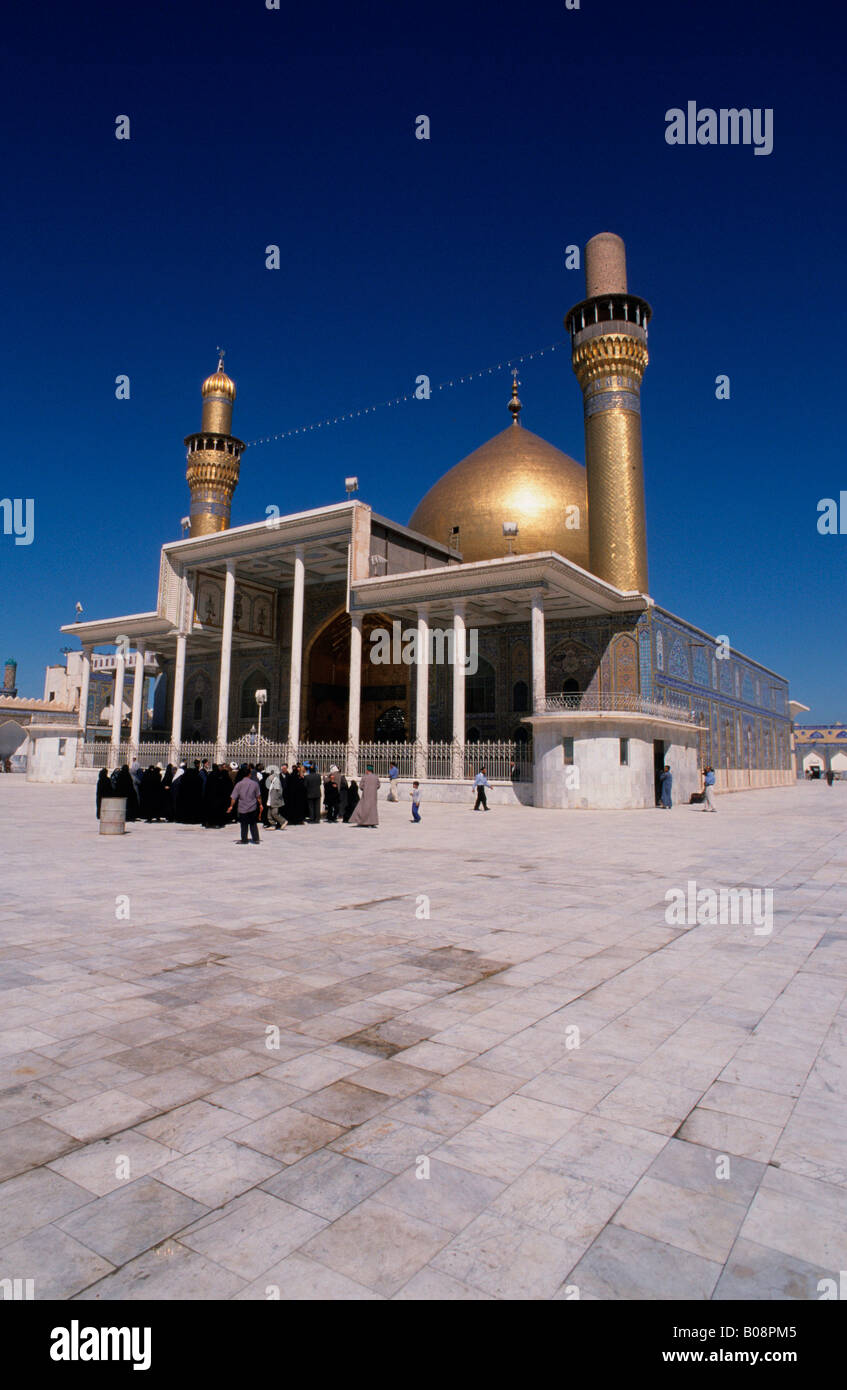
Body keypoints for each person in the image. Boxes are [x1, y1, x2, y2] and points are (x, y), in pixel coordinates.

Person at [228, 769, 264, 844]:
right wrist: (260, 804)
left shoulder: (239, 784)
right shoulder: (255, 784)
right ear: (249, 774)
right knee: (253, 823)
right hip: (252, 807)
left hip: (242, 807)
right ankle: (256, 838)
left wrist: (231, 806)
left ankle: (244, 839)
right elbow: (258, 796)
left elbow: (233, 797)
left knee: (243, 824)